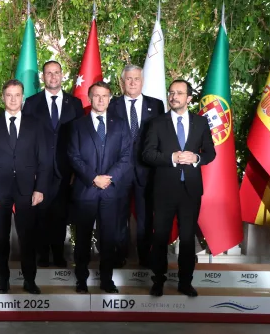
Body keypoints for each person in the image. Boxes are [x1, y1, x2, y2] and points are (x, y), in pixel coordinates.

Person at [143, 79, 216, 297]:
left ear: (189, 98)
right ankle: (158, 281)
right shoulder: (156, 123)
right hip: (164, 190)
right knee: (160, 237)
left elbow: (210, 153)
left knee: (187, 239)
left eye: (179, 93)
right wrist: (171, 158)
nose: (173, 97)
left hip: (190, 191)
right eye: (171, 92)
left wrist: (196, 158)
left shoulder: (201, 123)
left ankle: (185, 282)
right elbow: (147, 154)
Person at [0, 79, 50, 295]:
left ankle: (30, 280)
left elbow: (44, 160)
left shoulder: (35, 124)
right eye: (9, 95)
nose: (13, 99)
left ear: (23, 97)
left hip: (27, 189)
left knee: (28, 238)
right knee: (2, 238)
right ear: (3, 97)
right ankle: (3, 280)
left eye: (17, 95)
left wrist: (40, 188)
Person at [68, 81, 132, 294]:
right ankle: (81, 280)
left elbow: (126, 156)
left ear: (110, 98)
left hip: (111, 191)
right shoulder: (77, 125)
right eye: (97, 95)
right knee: (83, 238)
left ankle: (107, 280)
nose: (101, 99)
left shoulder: (121, 125)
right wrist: (94, 178)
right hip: (85, 190)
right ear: (90, 97)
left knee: (108, 238)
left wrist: (108, 178)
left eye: (105, 96)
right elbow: (73, 156)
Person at [22, 60, 84, 268]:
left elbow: (80, 138)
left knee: (61, 214)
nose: (53, 76)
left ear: (62, 75)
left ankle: (58, 254)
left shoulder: (75, 104)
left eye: (56, 72)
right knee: (40, 213)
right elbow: (26, 138)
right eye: (49, 73)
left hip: (66, 169)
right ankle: (42, 254)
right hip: (39, 169)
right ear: (43, 77)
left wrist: (77, 169)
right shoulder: (32, 103)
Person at [107, 64, 165, 267]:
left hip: (146, 170)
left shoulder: (156, 105)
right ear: (123, 82)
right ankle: (119, 255)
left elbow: (161, 138)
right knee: (118, 215)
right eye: (129, 79)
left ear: (142, 81)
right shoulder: (112, 104)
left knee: (146, 216)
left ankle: (145, 257)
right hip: (119, 170)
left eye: (136, 79)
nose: (132, 83)